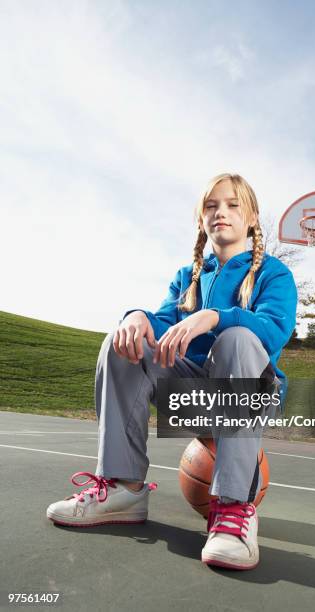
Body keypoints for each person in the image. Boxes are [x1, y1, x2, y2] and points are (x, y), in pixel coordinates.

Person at [46, 172, 297, 570]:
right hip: (191, 400)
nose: (221, 212)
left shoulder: (274, 274)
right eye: (211, 206)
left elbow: (273, 329)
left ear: (251, 218)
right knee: (122, 342)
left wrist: (214, 317)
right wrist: (136, 317)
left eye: (233, 204)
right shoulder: (188, 277)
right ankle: (123, 488)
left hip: (247, 397)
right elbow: (161, 323)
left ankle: (234, 510)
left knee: (237, 338)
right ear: (201, 220)